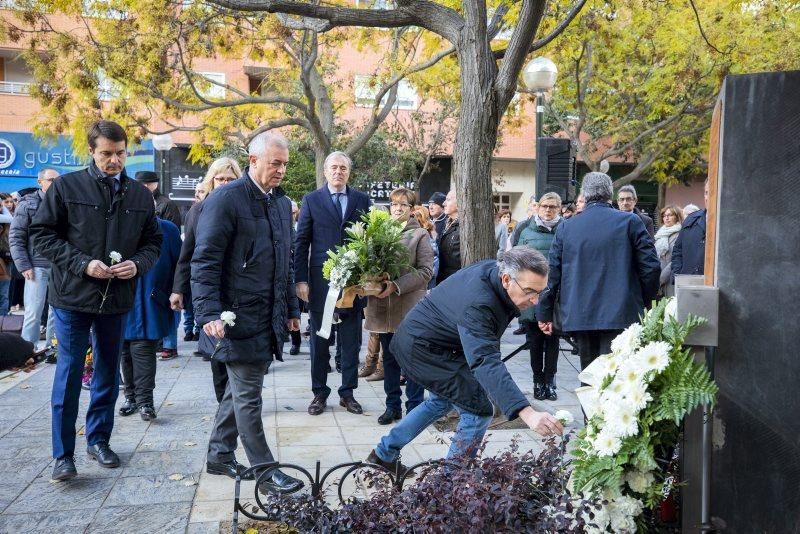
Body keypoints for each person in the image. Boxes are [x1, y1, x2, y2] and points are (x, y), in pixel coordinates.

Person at [30, 120, 163, 481]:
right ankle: (63, 455)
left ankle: (99, 439)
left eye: (120, 153)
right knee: (70, 373)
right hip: (72, 297)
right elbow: (41, 236)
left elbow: (153, 243)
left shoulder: (139, 194)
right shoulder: (66, 187)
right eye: (106, 154)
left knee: (107, 371)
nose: (114, 161)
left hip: (117, 299)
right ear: (91, 151)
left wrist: (137, 265)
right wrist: (83, 264)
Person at [365, 247, 563, 473]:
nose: (536, 301)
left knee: (441, 401)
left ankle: (383, 453)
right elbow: (485, 360)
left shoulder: (494, 274)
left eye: (540, 292)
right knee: (478, 411)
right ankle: (449, 486)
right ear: (506, 279)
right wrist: (527, 413)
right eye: (530, 291)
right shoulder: (480, 303)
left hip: (432, 344)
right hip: (422, 349)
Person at [191, 131, 303, 494]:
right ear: (253, 161)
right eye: (275, 163)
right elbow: (205, 261)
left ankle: (219, 454)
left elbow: (284, 262)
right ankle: (266, 472)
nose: (281, 170)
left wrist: (290, 308)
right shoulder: (225, 200)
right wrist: (208, 313)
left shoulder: (281, 204)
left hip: (267, 316)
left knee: (238, 391)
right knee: (248, 395)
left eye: (284, 164)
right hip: (233, 318)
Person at [536, 172, 660, 373]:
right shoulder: (630, 222)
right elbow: (651, 268)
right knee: (620, 380)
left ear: (584, 194)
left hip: (581, 313)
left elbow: (553, 274)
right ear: (610, 194)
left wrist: (544, 311)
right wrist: (644, 301)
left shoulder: (567, 227)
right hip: (623, 312)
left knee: (591, 379)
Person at [294, 151, 371, 417]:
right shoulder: (312, 200)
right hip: (320, 283)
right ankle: (319, 392)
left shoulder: (362, 200)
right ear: (326, 171)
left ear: (349, 172)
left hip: (352, 284)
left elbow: (369, 241)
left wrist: (367, 278)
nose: (338, 172)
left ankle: (347, 393)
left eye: (343, 168)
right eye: (333, 168)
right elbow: (301, 242)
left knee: (350, 342)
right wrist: (300, 279)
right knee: (319, 341)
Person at [170, 158, 240, 407]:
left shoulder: (245, 207)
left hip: (241, 290)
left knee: (241, 353)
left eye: (230, 179)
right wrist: (179, 289)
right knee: (217, 351)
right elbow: (187, 254)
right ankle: (225, 403)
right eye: (220, 179)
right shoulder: (198, 211)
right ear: (211, 181)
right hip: (210, 289)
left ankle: (241, 403)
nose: (224, 184)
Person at [365, 188, 434, 425]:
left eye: (403, 205)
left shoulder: (420, 235)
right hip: (382, 307)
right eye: (394, 204)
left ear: (413, 209)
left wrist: (396, 285)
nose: (397, 209)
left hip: (408, 308)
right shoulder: (378, 233)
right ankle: (392, 406)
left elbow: (426, 271)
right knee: (390, 359)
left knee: (411, 360)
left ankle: (414, 408)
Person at [119, 215, 181, 421]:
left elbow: (179, 263)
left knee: (143, 348)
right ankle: (131, 398)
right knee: (125, 349)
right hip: (121, 298)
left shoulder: (167, 229)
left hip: (150, 297)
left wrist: (178, 291)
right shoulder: (116, 224)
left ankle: (145, 401)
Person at [517, 192, 562, 401]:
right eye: (544, 206)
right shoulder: (525, 231)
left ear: (559, 208)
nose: (548, 210)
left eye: (552, 206)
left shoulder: (565, 230)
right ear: (537, 207)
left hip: (556, 295)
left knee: (553, 341)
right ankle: (537, 380)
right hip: (532, 295)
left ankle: (550, 381)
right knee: (534, 341)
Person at [9, 169, 59, 349]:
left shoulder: (64, 202)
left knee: (57, 312)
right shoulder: (27, 204)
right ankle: (27, 351)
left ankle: (54, 349)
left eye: (57, 180)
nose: (55, 183)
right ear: (40, 182)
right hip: (36, 266)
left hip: (60, 265)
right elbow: (15, 236)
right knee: (33, 312)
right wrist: (23, 265)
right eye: (51, 180)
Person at [672, 180, 709, 278]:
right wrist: (677, 275)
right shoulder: (690, 219)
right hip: (688, 283)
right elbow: (677, 250)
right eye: (706, 193)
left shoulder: (727, 224)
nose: (708, 197)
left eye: (712, 192)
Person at [655, 204, 684, 297]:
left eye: (670, 215)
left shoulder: (680, 234)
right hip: (656, 276)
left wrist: (661, 278)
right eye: (664, 216)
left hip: (669, 278)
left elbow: (676, 259)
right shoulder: (660, 234)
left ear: (677, 217)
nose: (666, 218)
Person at [436, 190, 460, 284]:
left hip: (455, 282)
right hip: (443, 280)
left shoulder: (465, 227)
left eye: (448, 200)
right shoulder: (446, 223)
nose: (443, 203)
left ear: (460, 203)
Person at [0, 194, 14, 315]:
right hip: (3, 261)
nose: (9, 205)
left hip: (5, 259)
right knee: (3, 294)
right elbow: (10, 218)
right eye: (6, 202)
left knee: (4, 294)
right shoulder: (5, 218)